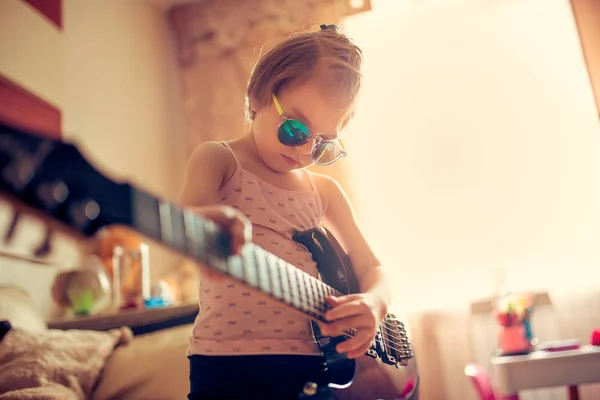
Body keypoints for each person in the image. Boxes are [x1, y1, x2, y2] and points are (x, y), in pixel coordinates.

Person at [180, 24, 392, 400]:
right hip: (226, 365)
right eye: (295, 129)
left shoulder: (324, 191)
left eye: (323, 145)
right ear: (259, 95)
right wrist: (207, 226)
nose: (303, 152)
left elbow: (373, 268)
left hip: (317, 370)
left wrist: (374, 303)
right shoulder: (218, 159)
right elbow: (190, 217)